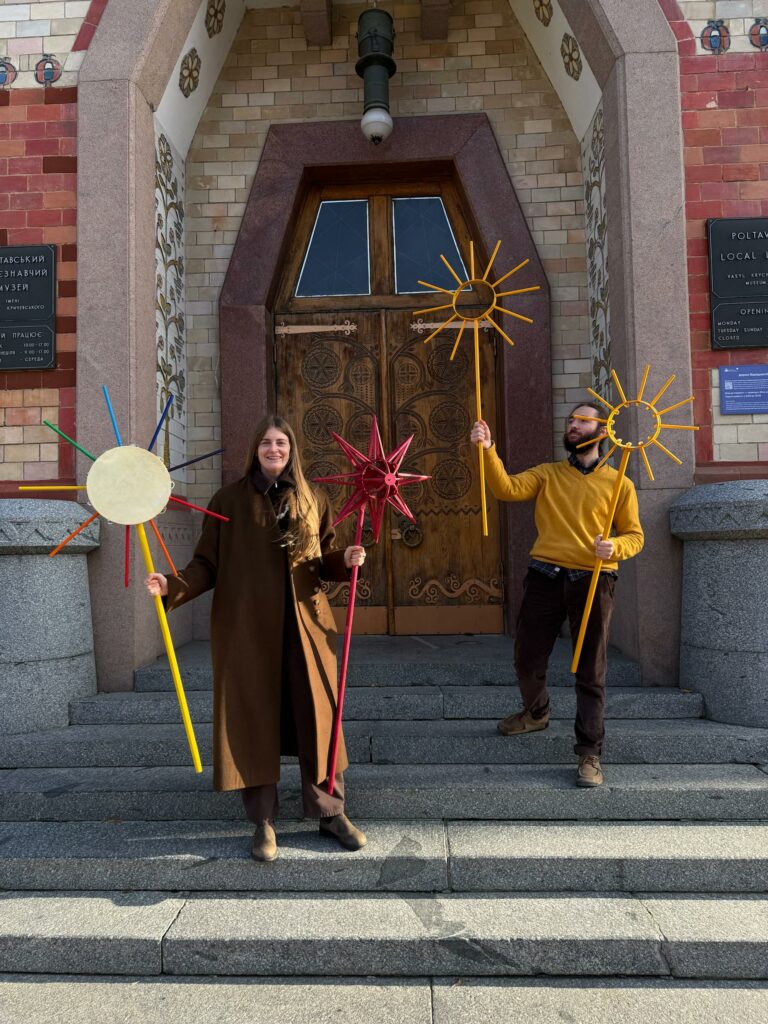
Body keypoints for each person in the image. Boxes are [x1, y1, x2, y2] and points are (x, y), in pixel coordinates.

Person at [145, 415, 367, 861]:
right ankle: (263, 823)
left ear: (292, 449)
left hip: (307, 630)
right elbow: (207, 565)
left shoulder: (313, 497)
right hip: (248, 629)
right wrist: (173, 585)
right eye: (266, 442)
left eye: (281, 442)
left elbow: (322, 563)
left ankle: (330, 813)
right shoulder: (228, 500)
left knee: (319, 718)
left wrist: (345, 558)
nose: (274, 449)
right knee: (254, 721)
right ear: (255, 449)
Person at [470, 404, 644, 787]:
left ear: (604, 429)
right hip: (546, 572)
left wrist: (613, 547)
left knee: (590, 670)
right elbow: (507, 488)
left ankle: (589, 754)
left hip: (595, 578)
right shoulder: (549, 474)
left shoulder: (620, 484)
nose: (573, 425)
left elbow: (635, 536)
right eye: (570, 420)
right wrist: (488, 449)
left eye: (582, 420)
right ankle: (536, 711)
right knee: (527, 656)